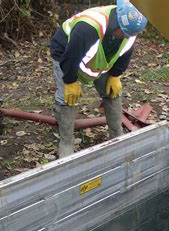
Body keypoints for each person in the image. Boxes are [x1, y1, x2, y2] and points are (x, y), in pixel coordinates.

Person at [50, 0, 148, 157]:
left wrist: (115, 75)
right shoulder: (88, 28)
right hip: (65, 53)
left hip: (97, 58)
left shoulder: (130, 30)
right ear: (116, 23)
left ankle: (117, 136)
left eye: (127, 35)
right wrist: (70, 81)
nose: (124, 37)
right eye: (122, 33)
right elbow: (71, 56)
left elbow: (126, 52)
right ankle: (66, 143)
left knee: (112, 91)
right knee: (68, 98)